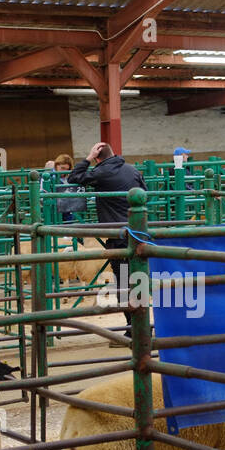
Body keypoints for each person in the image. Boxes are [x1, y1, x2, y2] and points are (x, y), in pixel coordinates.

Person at [66, 141, 146, 345]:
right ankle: (141, 329)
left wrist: (87, 158)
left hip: (117, 236)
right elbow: (144, 194)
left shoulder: (101, 171)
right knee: (139, 282)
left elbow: (73, 178)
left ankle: (134, 332)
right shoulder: (132, 170)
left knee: (123, 285)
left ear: (98, 158)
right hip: (138, 233)